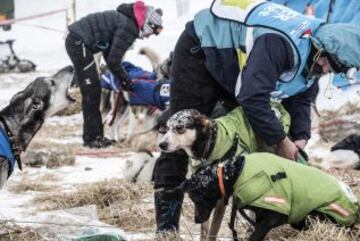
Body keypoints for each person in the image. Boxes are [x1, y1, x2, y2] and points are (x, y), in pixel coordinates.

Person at [152, 0, 360, 235]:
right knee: (182, 132)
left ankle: (256, 209)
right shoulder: (280, 43)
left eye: (331, 71)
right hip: (202, 48)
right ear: (322, 51)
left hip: (238, 70)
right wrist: (282, 140)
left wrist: (299, 139)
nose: (327, 72)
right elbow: (252, 97)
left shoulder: (317, 54)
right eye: (328, 67)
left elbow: (301, 96)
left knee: (248, 138)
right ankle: (166, 228)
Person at [65, 1, 163, 148]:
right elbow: (114, 60)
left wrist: (122, 78)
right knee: (92, 92)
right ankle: (93, 139)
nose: (149, 36)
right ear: (148, 24)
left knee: (93, 91)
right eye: (152, 32)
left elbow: (109, 54)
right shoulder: (129, 27)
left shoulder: (126, 22)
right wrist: (125, 80)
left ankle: (95, 137)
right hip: (79, 42)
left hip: (78, 41)